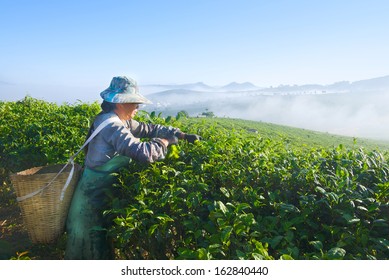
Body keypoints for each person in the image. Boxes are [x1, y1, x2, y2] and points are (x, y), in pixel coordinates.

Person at [65, 76, 201, 259]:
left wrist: (180, 134)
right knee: (91, 249)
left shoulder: (119, 119)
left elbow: (147, 129)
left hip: (101, 197)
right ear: (121, 103)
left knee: (101, 243)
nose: (137, 108)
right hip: (90, 203)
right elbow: (142, 152)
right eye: (134, 103)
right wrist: (165, 141)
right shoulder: (112, 125)